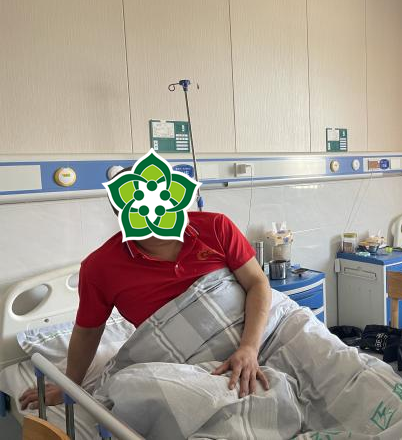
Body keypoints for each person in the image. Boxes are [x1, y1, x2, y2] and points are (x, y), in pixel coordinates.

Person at [20, 170, 271, 409]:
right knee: (142, 392)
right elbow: (89, 331)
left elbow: (257, 283)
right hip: (185, 364)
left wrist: (249, 348)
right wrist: (69, 386)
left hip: (260, 336)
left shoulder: (217, 227)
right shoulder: (100, 268)